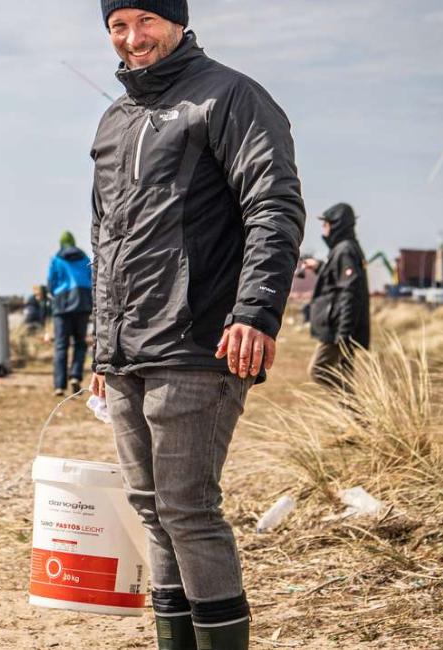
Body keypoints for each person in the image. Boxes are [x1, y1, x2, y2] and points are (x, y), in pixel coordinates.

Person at [88, 2, 305, 648]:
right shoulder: (113, 121)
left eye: (145, 21)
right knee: (152, 512)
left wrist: (256, 312)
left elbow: (275, 204)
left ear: (177, 20)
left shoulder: (231, 97)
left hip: (201, 341)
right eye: (118, 26)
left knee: (188, 508)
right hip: (128, 352)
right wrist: (103, 349)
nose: (133, 39)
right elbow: (106, 240)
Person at [304, 203, 370, 392]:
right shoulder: (345, 248)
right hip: (343, 327)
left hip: (339, 329)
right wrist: (317, 266)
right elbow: (340, 280)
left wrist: (343, 333)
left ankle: (363, 418)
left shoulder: (345, 250)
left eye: (326, 224)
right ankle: (360, 421)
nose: (323, 228)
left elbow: (350, 293)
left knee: (318, 370)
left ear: (337, 224)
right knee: (344, 375)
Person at [47, 231, 93, 396]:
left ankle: (59, 385)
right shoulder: (85, 257)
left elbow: (51, 282)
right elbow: (92, 277)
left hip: (62, 304)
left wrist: (56, 294)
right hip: (82, 303)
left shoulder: (56, 259)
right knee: (80, 343)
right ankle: (75, 376)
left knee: (61, 345)